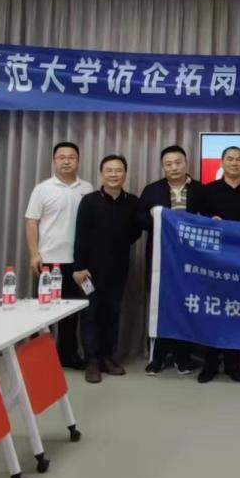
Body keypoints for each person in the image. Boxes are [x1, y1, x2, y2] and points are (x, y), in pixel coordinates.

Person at [188, 145, 240, 384]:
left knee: (236, 309)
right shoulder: (208, 190)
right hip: (213, 259)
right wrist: (210, 222)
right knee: (213, 309)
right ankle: (210, 363)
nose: (234, 163)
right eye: (229, 159)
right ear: (221, 162)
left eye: (239, 159)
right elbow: (196, 220)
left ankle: (233, 364)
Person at [73, 155, 145, 384]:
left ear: (125, 174)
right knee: (90, 314)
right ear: (101, 173)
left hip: (119, 267)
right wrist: (79, 267)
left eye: (118, 170)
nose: (114, 174)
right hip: (89, 271)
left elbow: (136, 231)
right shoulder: (89, 201)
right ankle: (92, 360)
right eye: (109, 170)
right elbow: (80, 235)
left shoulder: (133, 202)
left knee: (112, 314)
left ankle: (108, 357)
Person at [23, 141, 94, 369]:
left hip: (76, 262)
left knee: (71, 312)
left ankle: (68, 355)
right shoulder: (42, 188)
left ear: (78, 161)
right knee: (44, 311)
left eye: (71, 157)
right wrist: (34, 254)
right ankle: (39, 357)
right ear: (54, 161)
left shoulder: (87, 188)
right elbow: (31, 222)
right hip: (49, 260)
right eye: (61, 157)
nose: (66, 161)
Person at [139, 144, 202, 377]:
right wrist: (160, 221)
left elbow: (208, 220)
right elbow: (139, 218)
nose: (174, 167)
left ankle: (182, 356)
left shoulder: (200, 190)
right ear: (162, 167)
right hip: (160, 257)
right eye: (168, 164)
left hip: (191, 259)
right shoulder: (152, 190)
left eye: (178, 163)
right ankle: (157, 357)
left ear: (186, 163)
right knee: (161, 305)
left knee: (186, 305)